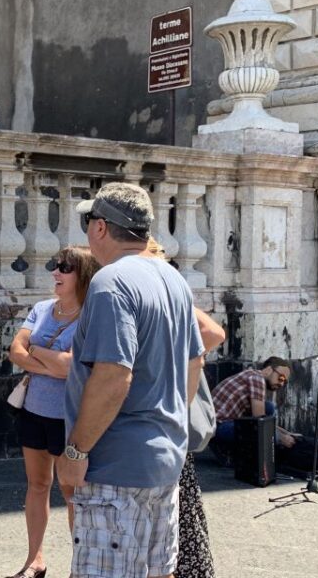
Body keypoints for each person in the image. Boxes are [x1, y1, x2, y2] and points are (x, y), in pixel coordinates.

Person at [58, 182, 206, 578]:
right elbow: (196, 362)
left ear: (101, 228)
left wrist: (75, 452)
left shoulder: (112, 282)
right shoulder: (174, 280)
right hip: (164, 462)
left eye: (89, 221)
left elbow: (113, 375)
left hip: (114, 467)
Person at [5, 247, 100, 578]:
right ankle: (35, 559)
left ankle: (81, 565)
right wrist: (48, 358)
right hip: (34, 411)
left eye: (65, 268)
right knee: (37, 484)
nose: (55, 273)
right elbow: (15, 351)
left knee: (71, 490)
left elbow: (68, 369)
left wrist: (37, 351)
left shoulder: (90, 316)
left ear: (83, 276)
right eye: (55, 266)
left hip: (68, 416)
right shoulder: (42, 309)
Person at [146, 238, 224, 578]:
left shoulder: (168, 291)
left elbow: (213, 333)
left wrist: (174, 362)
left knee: (176, 509)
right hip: (159, 419)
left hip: (165, 418)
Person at [210, 357, 295, 465]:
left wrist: (287, 433)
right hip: (218, 427)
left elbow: (263, 418)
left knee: (268, 407)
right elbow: (260, 421)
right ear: (269, 369)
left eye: (285, 382)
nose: (281, 384)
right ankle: (225, 449)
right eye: (281, 378)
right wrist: (280, 438)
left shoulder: (252, 374)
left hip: (217, 423)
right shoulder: (257, 379)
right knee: (260, 425)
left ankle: (228, 450)